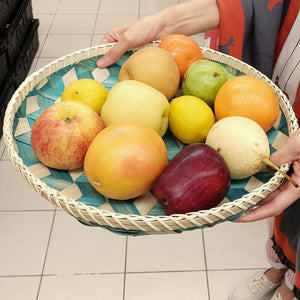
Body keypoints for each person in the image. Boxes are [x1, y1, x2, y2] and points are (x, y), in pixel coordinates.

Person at [96, 1, 300, 299]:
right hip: (284, 102)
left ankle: (290, 288)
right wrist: (164, 23)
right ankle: (280, 267)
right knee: (281, 197)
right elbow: (265, 4)